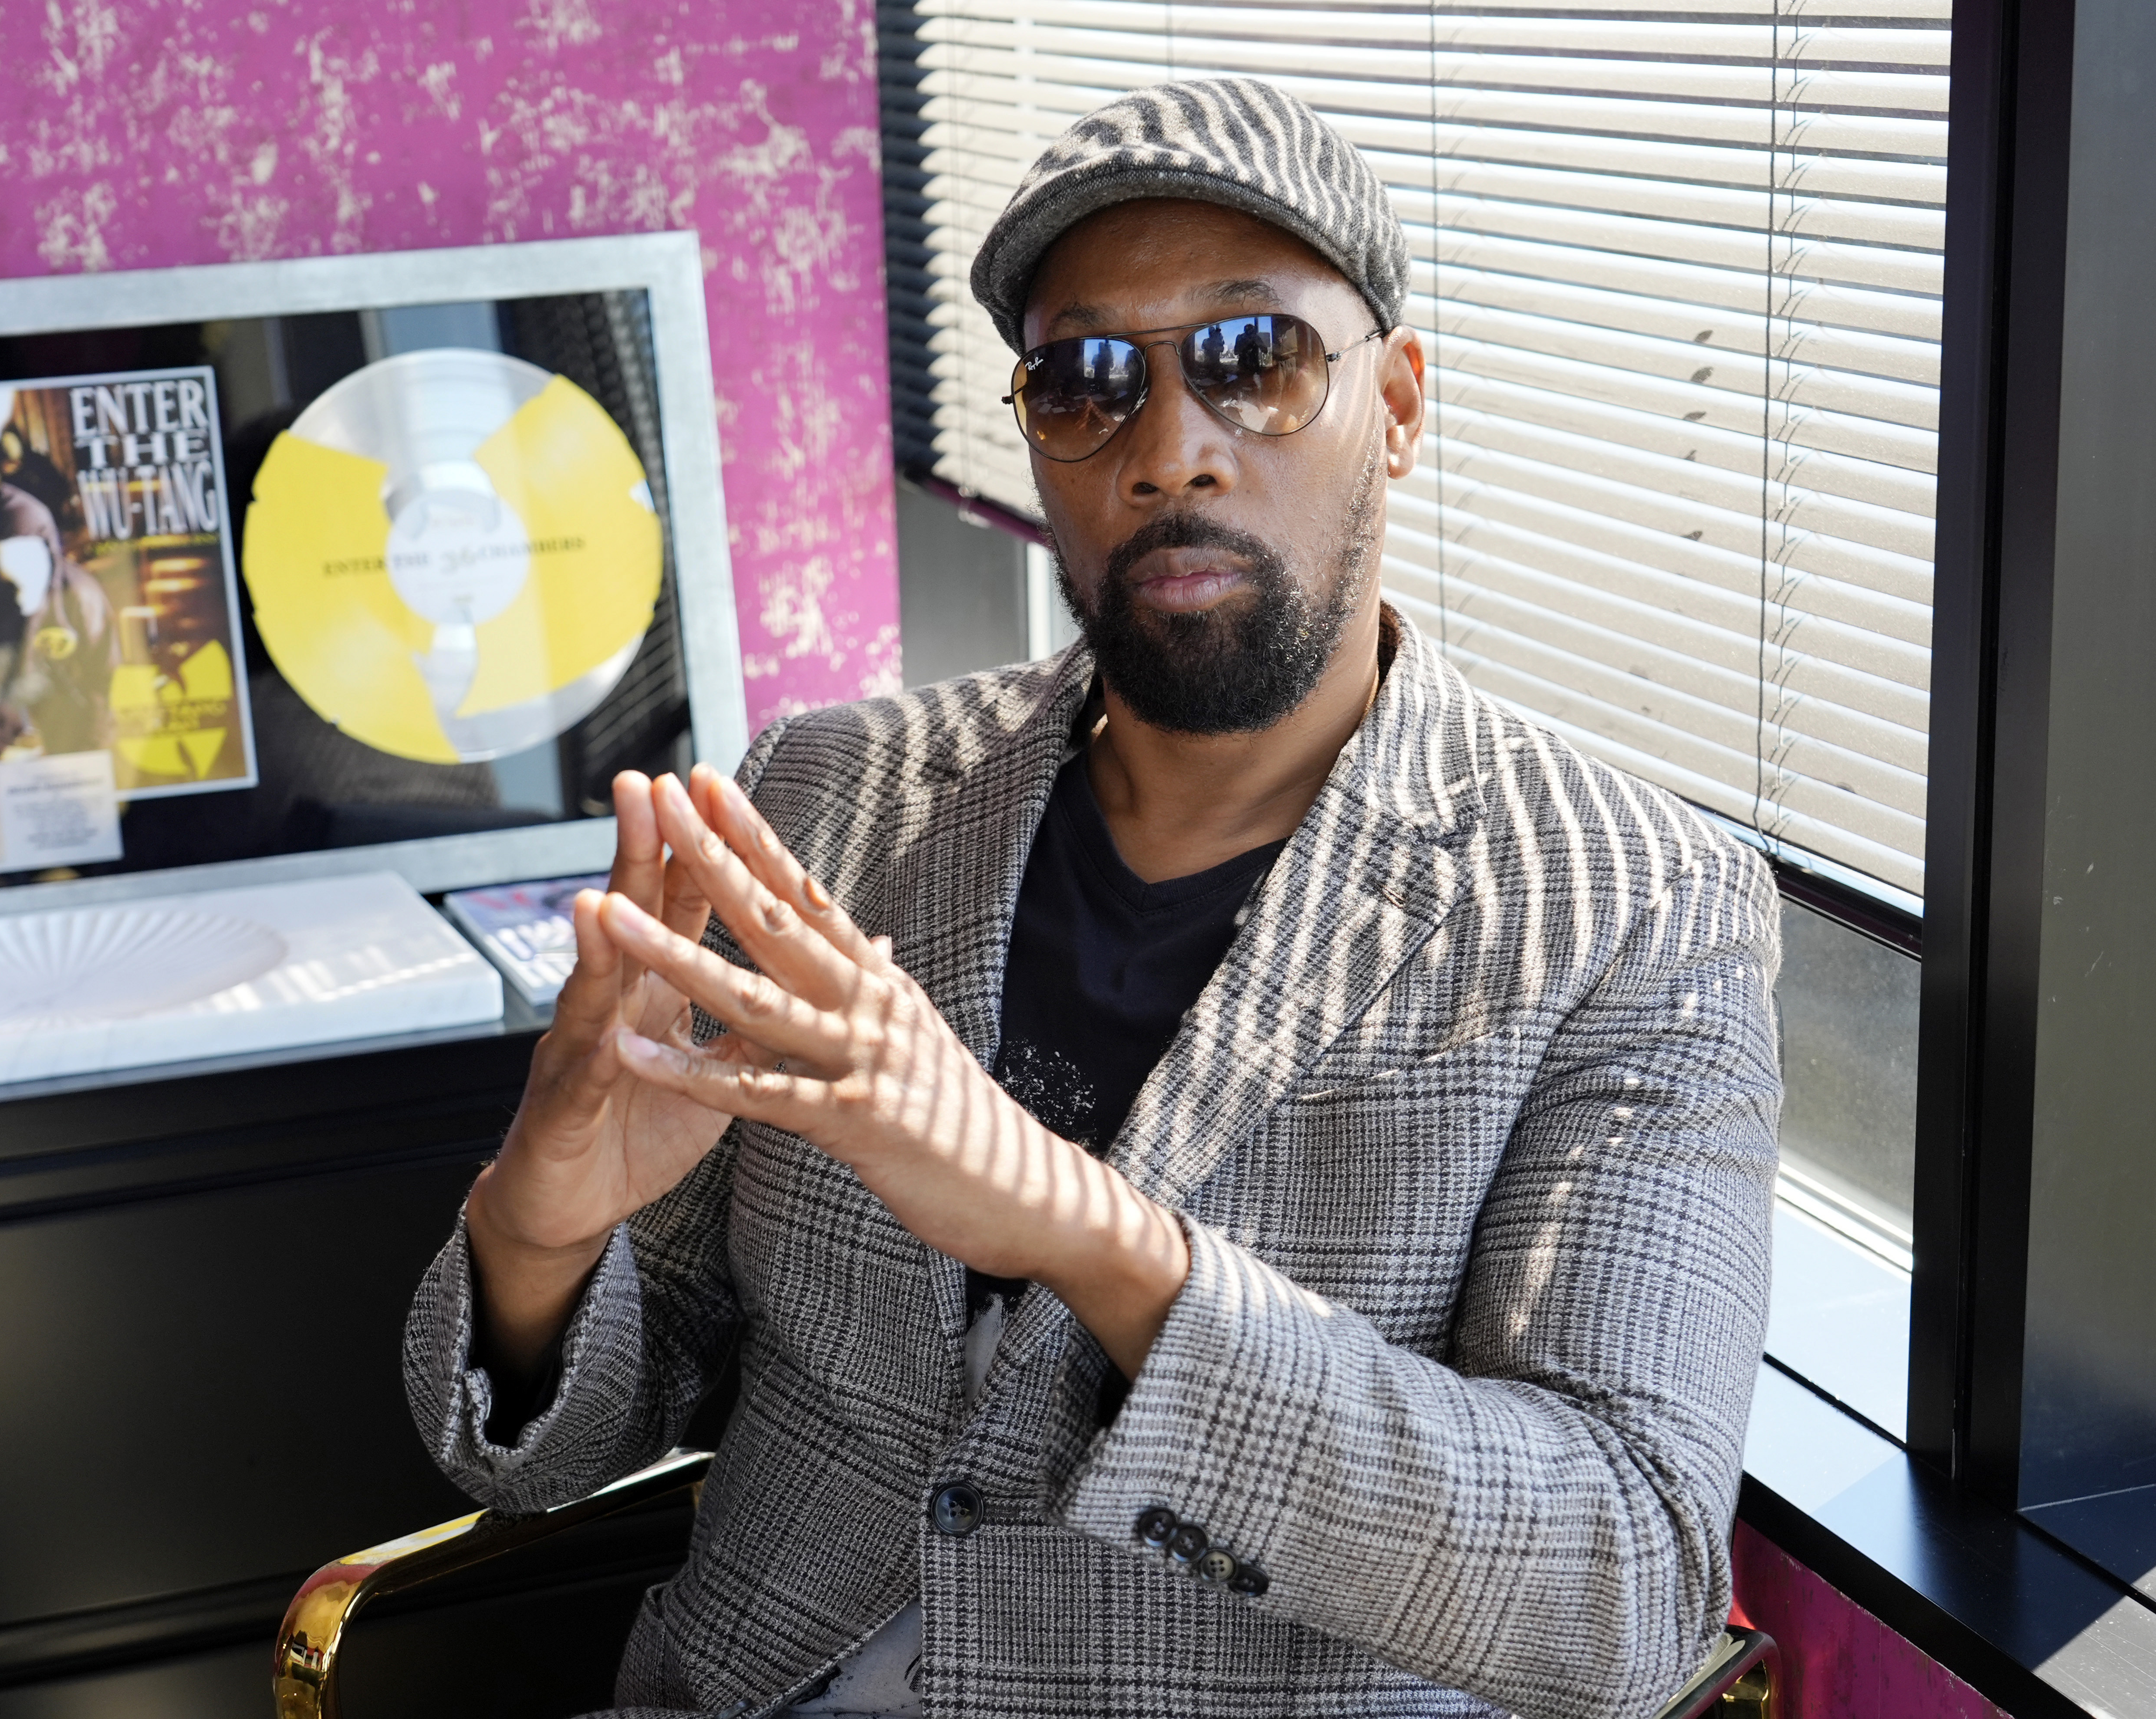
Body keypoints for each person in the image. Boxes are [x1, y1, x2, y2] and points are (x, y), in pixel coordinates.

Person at [406, 77, 1779, 1719]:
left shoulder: (1635, 907)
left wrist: (1087, 1233)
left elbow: (1616, 1584)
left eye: (1255, 360)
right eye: (1088, 382)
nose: (1169, 449)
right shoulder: (831, 797)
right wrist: (541, 1231)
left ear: (1400, 407)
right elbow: (604, 1407)